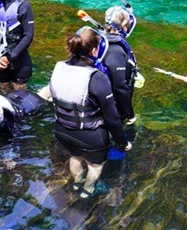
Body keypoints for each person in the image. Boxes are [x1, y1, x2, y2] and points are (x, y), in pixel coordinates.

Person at [49, 27, 132, 198]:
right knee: (95, 165)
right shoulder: (96, 77)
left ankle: (77, 183)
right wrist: (123, 142)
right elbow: (112, 118)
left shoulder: (58, 67)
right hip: (91, 137)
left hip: (62, 131)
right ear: (94, 50)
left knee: (76, 157)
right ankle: (88, 189)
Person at [103, 5, 141, 126]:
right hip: (112, 107)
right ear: (124, 26)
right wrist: (131, 115)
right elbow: (119, 87)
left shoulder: (103, 40)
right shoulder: (115, 51)